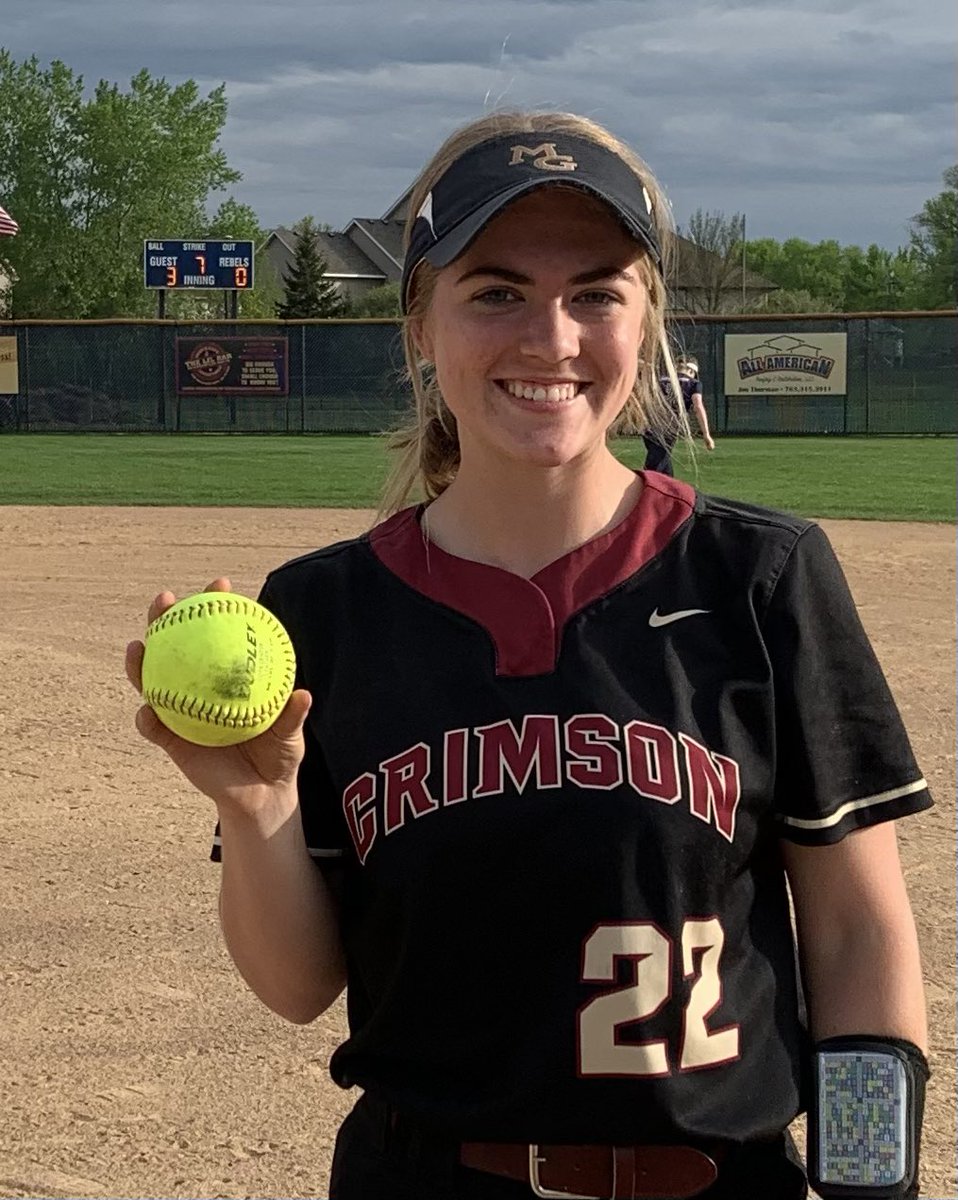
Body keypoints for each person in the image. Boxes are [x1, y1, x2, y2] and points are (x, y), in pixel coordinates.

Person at [127, 111, 932, 1200]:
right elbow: (298, 986)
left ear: (645, 324)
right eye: (495, 290)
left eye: (595, 291)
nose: (549, 339)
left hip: (722, 1181)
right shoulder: (322, 611)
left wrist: (869, 1188)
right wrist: (254, 807)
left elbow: (856, 931)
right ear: (420, 324)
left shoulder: (759, 575)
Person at [642, 356, 714, 476]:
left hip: (649, 424)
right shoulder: (694, 383)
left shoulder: (661, 379)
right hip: (668, 426)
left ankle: (670, 490)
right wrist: (706, 434)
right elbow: (698, 406)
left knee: (662, 461)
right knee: (654, 467)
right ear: (692, 371)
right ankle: (643, 491)